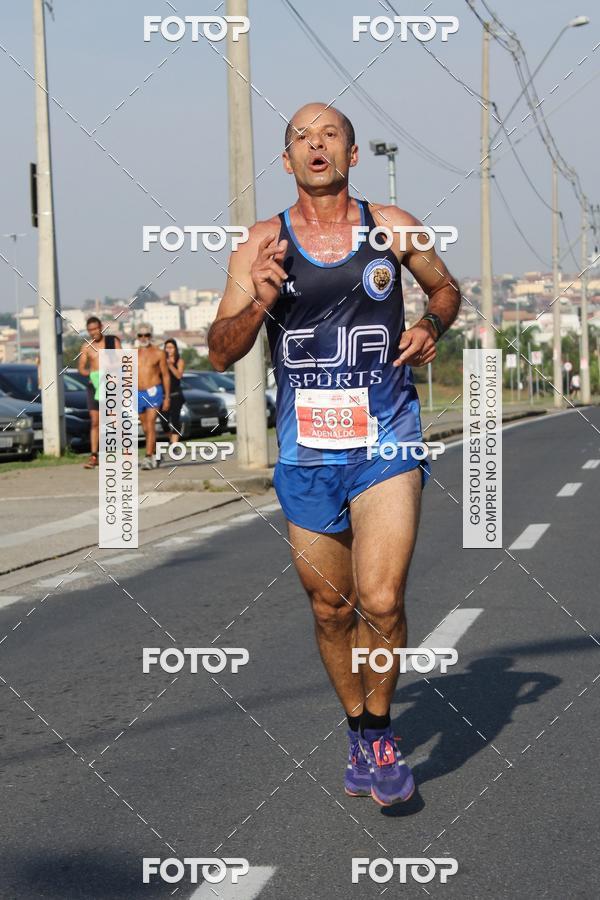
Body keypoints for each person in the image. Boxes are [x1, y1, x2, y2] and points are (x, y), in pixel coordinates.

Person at [208, 103, 460, 807]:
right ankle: (356, 727)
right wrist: (256, 302)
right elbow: (220, 349)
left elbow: (445, 287)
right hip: (307, 449)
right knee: (330, 608)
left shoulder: (394, 226)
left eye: (330, 135)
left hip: (387, 438)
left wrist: (431, 321)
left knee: (381, 598)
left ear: (352, 153)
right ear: (286, 162)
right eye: (301, 137)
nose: (317, 145)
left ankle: (380, 733)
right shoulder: (261, 243)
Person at [78, 316, 122, 469]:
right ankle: (94, 456)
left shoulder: (112, 341)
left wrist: (109, 367)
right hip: (94, 385)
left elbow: (122, 359)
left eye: (95, 329)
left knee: (113, 420)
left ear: (101, 327)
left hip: (111, 383)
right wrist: (91, 373)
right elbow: (81, 367)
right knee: (95, 421)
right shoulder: (86, 346)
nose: (93, 332)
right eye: (90, 330)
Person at [137, 324, 170, 469]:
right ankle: (156, 452)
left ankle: (148, 457)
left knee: (150, 424)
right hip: (138, 392)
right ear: (137, 337)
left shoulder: (159, 353)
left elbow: (165, 375)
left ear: (151, 336)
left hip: (154, 391)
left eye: (146, 335)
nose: (143, 338)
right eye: (140, 335)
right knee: (144, 427)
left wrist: (167, 397)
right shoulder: (132, 353)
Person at [163, 338, 185, 443]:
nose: (169, 350)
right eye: (167, 348)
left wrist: (170, 365)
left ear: (175, 349)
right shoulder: (162, 361)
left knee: (175, 420)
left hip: (176, 395)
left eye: (171, 347)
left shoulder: (179, 361)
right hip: (163, 396)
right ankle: (171, 440)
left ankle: (175, 444)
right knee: (164, 422)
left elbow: (179, 375)